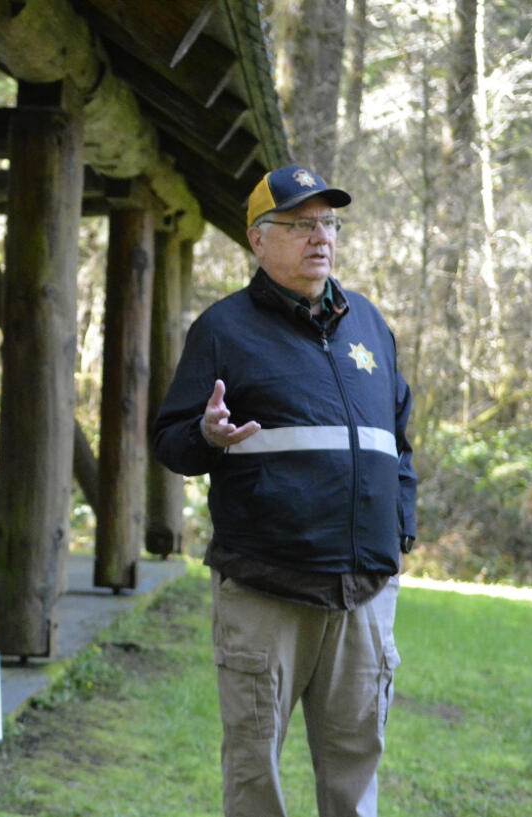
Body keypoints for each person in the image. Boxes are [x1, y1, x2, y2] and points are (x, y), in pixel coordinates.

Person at [153, 164, 416, 817]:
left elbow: (400, 442)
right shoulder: (223, 329)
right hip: (266, 593)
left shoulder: (370, 327)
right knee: (255, 774)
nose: (319, 237)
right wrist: (207, 434)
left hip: (364, 594)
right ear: (258, 240)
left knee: (355, 778)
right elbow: (171, 440)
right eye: (300, 225)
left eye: (327, 223)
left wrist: (399, 528)